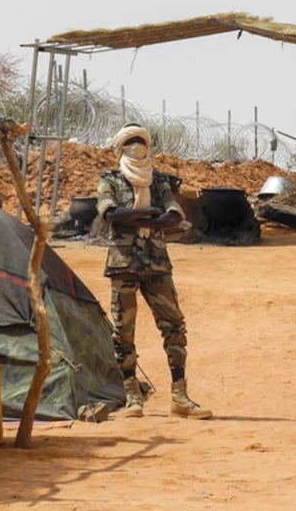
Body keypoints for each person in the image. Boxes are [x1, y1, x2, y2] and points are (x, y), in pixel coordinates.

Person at [96, 123, 213, 420]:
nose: (137, 145)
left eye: (141, 141)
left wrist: (135, 218)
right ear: (121, 147)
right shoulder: (110, 179)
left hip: (157, 264)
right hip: (123, 265)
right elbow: (110, 214)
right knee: (123, 332)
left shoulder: (159, 181)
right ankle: (133, 397)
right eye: (131, 141)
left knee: (174, 327)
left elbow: (174, 217)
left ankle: (180, 396)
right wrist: (150, 215)